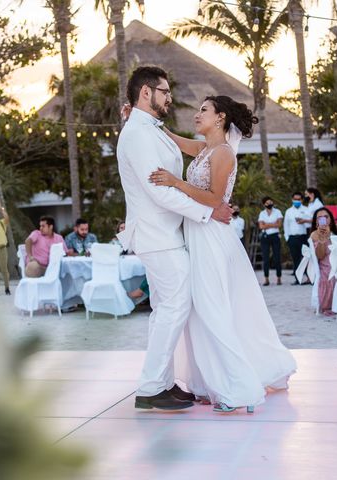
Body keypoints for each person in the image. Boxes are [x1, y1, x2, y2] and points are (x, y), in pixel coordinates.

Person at [149, 94, 297, 413]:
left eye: (203, 110)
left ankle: (241, 388)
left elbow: (216, 199)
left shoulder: (224, 153)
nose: (196, 114)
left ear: (220, 118)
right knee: (201, 311)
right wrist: (147, 122)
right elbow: (174, 140)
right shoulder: (205, 149)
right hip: (197, 235)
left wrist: (176, 182)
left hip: (212, 238)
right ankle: (210, 382)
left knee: (211, 308)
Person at [116, 66, 234, 411]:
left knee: (164, 310)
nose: (170, 96)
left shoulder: (148, 128)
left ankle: (161, 382)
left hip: (167, 234)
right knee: (174, 306)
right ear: (146, 93)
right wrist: (207, 211)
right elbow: (160, 192)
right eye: (165, 91)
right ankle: (152, 388)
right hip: (159, 237)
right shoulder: (137, 133)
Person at [310, 207, 337, 315]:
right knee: (329, 274)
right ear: (316, 221)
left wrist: (336, 234)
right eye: (320, 218)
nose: (324, 220)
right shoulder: (314, 234)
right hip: (326, 264)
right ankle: (330, 305)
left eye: (326, 217)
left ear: (331, 218)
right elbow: (320, 256)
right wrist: (323, 239)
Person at [284, 192, 310, 285]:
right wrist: (287, 238)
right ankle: (297, 278)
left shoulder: (306, 210)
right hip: (292, 238)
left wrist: (304, 222)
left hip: (303, 237)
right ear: (292, 199)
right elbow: (285, 226)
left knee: (306, 257)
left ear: (302, 200)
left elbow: (310, 224)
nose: (297, 201)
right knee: (295, 259)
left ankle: (308, 277)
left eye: (298, 199)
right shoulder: (288, 211)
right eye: (295, 199)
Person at [258, 196, 283, 286]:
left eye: (271, 202)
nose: (269, 204)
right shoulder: (262, 213)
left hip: (275, 236)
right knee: (266, 258)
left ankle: (279, 278)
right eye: (267, 203)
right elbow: (261, 226)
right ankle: (266, 279)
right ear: (264, 204)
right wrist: (273, 224)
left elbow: (279, 224)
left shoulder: (278, 212)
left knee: (277, 257)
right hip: (265, 237)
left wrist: (266, 224)